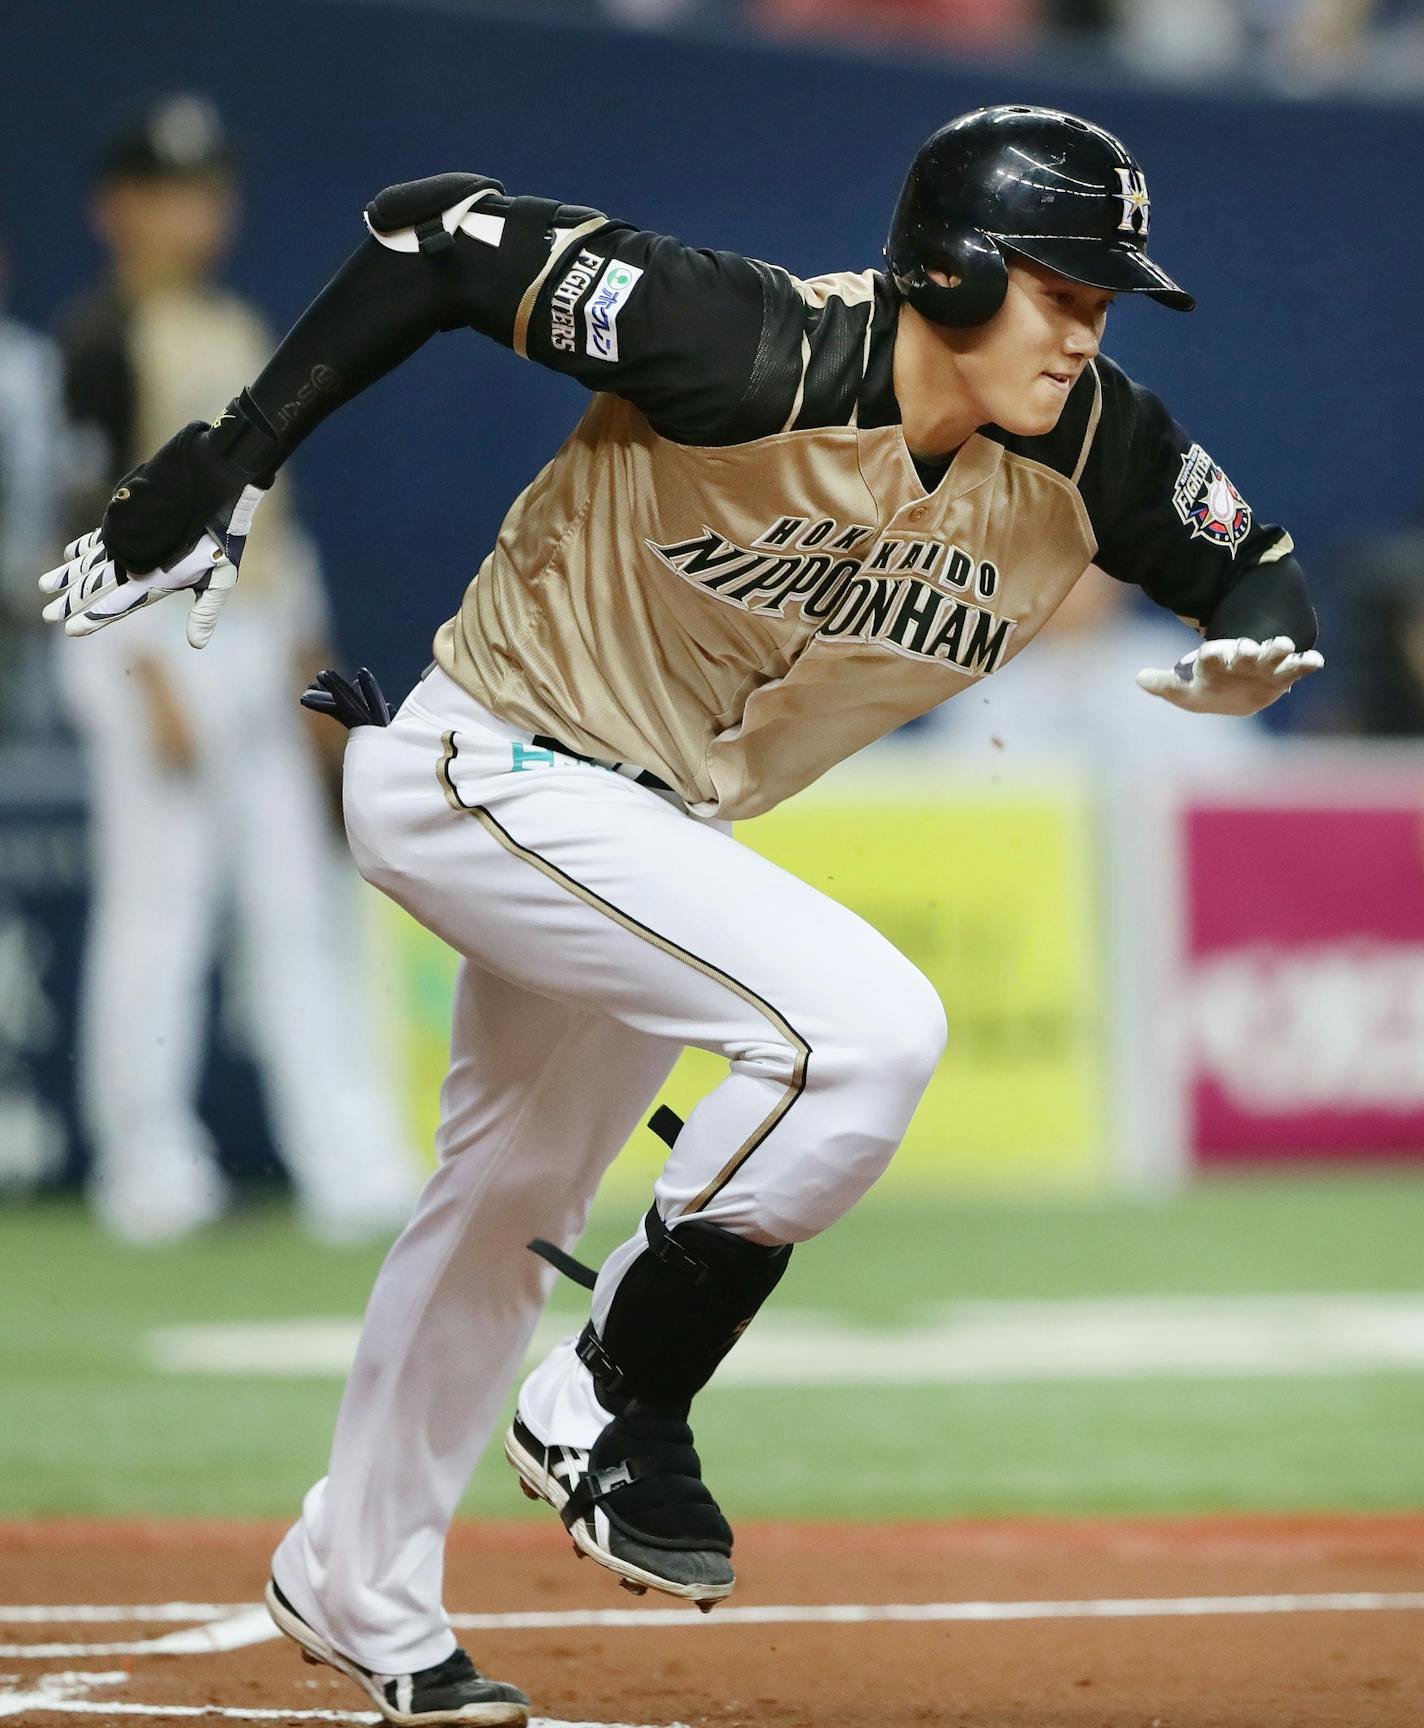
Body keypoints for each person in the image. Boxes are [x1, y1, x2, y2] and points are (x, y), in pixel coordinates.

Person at [40, 105, 1322, 1724]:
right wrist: (232, 450)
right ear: (949, 265)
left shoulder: (1094, 445)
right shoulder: (749, 342)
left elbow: (1250, 565)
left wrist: (1250, 654)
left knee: (500, 1212)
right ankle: (613, 1389)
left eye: (1100, 298)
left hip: (633, 830)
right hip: (482, 762)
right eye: (1057, 288)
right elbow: (434, 233)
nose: (1083, 326)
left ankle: (351, 1573)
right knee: (867, 1029)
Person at [52, 94, 420, 1244]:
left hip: (254, 637)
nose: (194, 216)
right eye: (168, 193)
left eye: (210, 191)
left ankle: (348, 1151)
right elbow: (75, 524)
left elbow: (275, 518)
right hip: (146, 637)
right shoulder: (99, 341)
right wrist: (133, 668)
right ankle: (146, 1162)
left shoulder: (239, 325)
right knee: (161, 903)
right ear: (116, 208)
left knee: (299, 903)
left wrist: (312, 672)